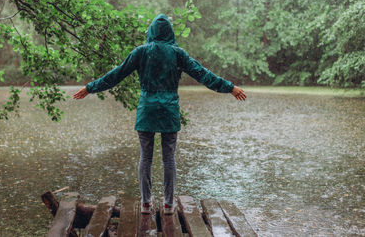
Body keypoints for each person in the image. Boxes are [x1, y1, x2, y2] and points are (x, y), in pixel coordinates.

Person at [73, 14, 246, 215]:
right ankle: (168, 205)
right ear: (170, 32)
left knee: (145, 158)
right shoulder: (178, 53)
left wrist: (90, 87)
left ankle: (146, 204)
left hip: (147, 109)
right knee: (169, 158)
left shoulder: (141, 52)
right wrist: (230, 87)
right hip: (169, 111)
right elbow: (203, 74)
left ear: (151, 31)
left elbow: (116, 74)